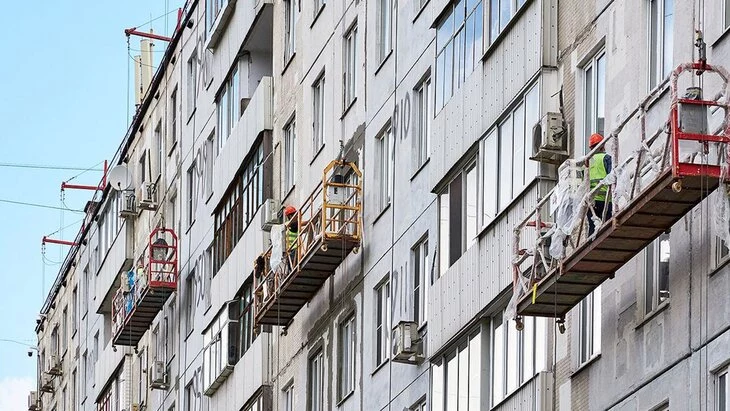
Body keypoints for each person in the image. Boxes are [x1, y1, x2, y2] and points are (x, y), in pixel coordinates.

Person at [587, 133, 613, 236]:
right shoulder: (606, 158)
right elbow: (612, 176)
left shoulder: (587, 161)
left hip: (591, 201)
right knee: (606, 226)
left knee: (593, 226)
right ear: (602, 145)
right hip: (605, 199)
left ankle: (590, 246)